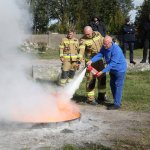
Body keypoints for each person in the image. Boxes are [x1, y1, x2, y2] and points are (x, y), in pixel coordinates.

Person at [87, 36, 127, 110]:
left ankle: (117, 104)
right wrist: (91, 61)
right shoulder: (104, 47)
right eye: (103, 44)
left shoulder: (116, 50)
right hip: (112, 70)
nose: (104, 46)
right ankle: (116, 101)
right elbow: (100, 54)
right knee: (112, 85)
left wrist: (102, 71)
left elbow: (113, 63)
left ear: (110, 43)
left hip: (119, 70)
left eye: (106, 44)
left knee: (118, 86)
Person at [79, 26, 107, 105]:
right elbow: (81, 50)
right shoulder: (83, 40)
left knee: (102, 78)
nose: (87, 35)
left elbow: (103, 41)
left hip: (100, 61)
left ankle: (101, 96)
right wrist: (79, 58)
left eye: (88, 34)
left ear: (92, 31)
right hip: (90, 63)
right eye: (85, 34)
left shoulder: (98, 34)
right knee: (91, 80)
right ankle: (90, 99)